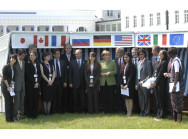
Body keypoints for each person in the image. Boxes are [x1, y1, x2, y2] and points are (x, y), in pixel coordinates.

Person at [164, 47, 184, 123]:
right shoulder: (175, 60)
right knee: (174, 101)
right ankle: (175, 119)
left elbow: (177, 73)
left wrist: (175, 85)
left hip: (177, 84)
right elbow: (174, 74)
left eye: (168, 53)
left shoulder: (176, 61)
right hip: (175, 83)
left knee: (177, 101)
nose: (168, 55)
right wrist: (169, 75)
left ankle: (178, 120)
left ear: (171, 54)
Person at [150, 50, 168, 119]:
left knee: (161, 99)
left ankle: (162, 115)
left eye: (161, 54)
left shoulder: (164, 62)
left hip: (161, 84)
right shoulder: (158, 62)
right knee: (157, 100)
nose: (159, 55)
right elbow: (155, 72)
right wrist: (152, 80)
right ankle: (158, 114)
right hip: (156, 83)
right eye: (159, 53)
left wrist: (155, 82)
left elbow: (160, 74)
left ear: (164, 55)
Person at [135, 48, 152, 116]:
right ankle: (142, 111)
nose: (140, 56)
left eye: (142, 54)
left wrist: (143, 81)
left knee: (146, 98)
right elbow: (137, 74)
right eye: (139, 54)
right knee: (141, 98)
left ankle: (147, 112)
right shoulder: (138, 62)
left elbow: (149, 75)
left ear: (145, 54)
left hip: (145, 83)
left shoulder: (148, 62)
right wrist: (136, 84)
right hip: (138, 83)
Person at [50, 49, 67, 114]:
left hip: (61, 80)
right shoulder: (50, 62)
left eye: (59, 54)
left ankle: (59, 109)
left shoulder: (63, 62)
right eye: (57, 54)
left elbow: (65, 72)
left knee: (60, 95)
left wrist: (65, 81)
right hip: (53, 80)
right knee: (53, 95)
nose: (58, 55)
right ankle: (54, 110)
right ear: (54, 55)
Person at [1, 54, 17, 122]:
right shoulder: (6, 67)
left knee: (11, 102)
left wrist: (12, 87)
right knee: (7, 102)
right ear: (9, 59)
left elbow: (13, 79)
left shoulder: (14, 68)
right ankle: (8, 119)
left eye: (14, 59)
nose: (13, 60)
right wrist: (8, 87)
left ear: (15, 60)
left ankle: (12, 117)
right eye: (12, 58)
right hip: (5, 86)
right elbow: (4, 78)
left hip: (11, 86)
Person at [25, 52, 41, 119]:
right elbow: (28, 75)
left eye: (33, 55)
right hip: (30, 85)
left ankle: (35, 114)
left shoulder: (37, 64)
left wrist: (37, 83)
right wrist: (34, 83)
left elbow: (39, 74)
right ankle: (29, 114)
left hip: (36, 85)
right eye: (31, 55)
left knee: (35, 99)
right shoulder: (27, 64)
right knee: (30, 99)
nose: (32, 57)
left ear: (35, 56)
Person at [60, 43, 76, 113]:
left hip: (72, 78)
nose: (68, 49)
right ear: (64, 49)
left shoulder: (74, 56)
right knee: (64, 95)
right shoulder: (61, 56)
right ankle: (64, 109)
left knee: (72, 95)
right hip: (64, 79)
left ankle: (71, 109)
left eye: (69, 48)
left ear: (71, 49)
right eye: (67, 48)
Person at [120, 52, 136, 117]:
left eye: (127, 57)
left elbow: (131, 76)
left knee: (130, 98)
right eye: (124, 57)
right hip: (123, 85)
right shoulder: (123, 65)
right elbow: (121, 75)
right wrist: (121, 83)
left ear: (129, 58)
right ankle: (127, 111)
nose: (125, 58)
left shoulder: (132, 65)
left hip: (129, 85)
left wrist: (127, 84)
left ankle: (130, 112)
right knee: (126, 98)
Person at [14, 49, 26, 121]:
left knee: (22, 101)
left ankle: (21, 114)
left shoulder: (24, 62)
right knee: (16, 101)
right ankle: (15, 115)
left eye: (24, 56)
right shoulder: (14, 62)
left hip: (22, 85)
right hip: (16, 85)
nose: (23, 57)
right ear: (18, 55)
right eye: (22, 56)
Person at [115, 47, 126, 113]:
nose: (116, 53)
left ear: (121, 53)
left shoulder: (126, 59)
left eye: (117, 52)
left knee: (124, 96)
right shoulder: (115, 60)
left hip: (124, 81)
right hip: (117, 81)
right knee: (118, 96)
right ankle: (120, 110)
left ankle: (125, 109)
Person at [151, 45, 160, 116]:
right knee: (155, 97)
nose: (151, 52)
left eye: (152, 50)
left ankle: (160, 112)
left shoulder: (162, 59)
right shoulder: (152, 58)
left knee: (159, 98)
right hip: (153, 80)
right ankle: (156, 112)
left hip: (159, 81)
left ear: (156, 51)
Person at [131, 48, 140, 114]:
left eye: (135, 52)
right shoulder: (131, 60)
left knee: (140, 96)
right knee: (134, 96)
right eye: (133, 52)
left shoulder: (142, 60)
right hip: (132, 81)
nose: (134, 53)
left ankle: (141, 109)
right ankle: (135, 109)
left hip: (140, 81)